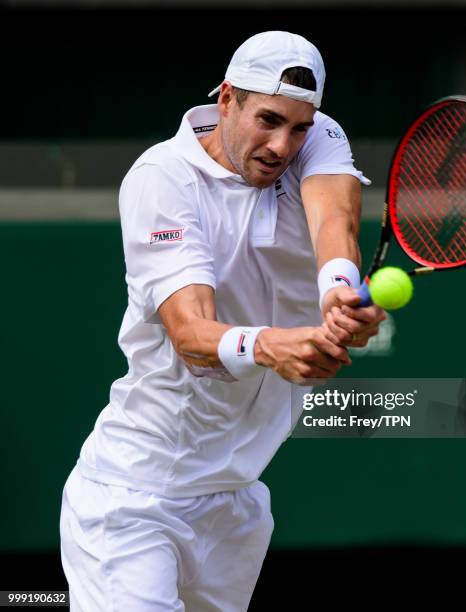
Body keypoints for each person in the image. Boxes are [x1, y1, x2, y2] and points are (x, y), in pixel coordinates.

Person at [60, 30, 386, 611]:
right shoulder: (162, 178)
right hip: (134, 499)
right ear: (227, 98)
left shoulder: (318, 137)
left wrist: (339, 294)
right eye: (267, 120)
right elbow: (191, 333)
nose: (282, 145)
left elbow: (334, 222)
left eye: (299, 128)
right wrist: (270, 346)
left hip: (236, 502)